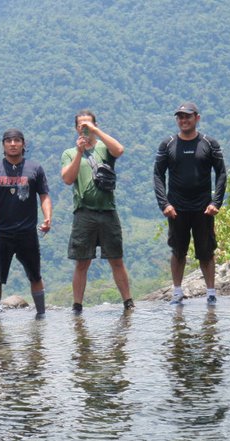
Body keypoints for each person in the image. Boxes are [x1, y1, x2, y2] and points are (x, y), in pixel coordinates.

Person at [153, 102, 227, 305]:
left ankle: (211, 292)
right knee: (178, 251)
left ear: (197, 118)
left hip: (204, 208)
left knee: (206, 251)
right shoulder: (167, 144)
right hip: (177, 208)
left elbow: (221, 173)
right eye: (180, 117)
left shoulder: (209, 143)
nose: (184, 120)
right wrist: (164, 204)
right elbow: (158, 175)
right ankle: (177, 292)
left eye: (188, 116)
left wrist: (216, 202)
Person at [61, 109, 134, 314]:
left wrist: (97, 132)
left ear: (95, 124)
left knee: (116, 258)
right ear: (76, 128)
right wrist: (78, 152)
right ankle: (77, 305)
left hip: (108, 210)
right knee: (82, 261)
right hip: (84, 212)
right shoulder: (69, 153)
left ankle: (128, 301)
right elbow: (67, 179)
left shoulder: (104, 147)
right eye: (81, 125)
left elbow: (119, 150)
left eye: (88, 124)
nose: (84, 128)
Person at [0, 129, 52, 320]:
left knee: (35, 275)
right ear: (3, 145)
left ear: (23, 144)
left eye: (17, 140)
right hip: (1, 233)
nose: (13, 144)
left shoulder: (35, 168)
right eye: (9, 141)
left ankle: (41, 315)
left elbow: (44, 195)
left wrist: (48, 218)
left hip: (27, 232)